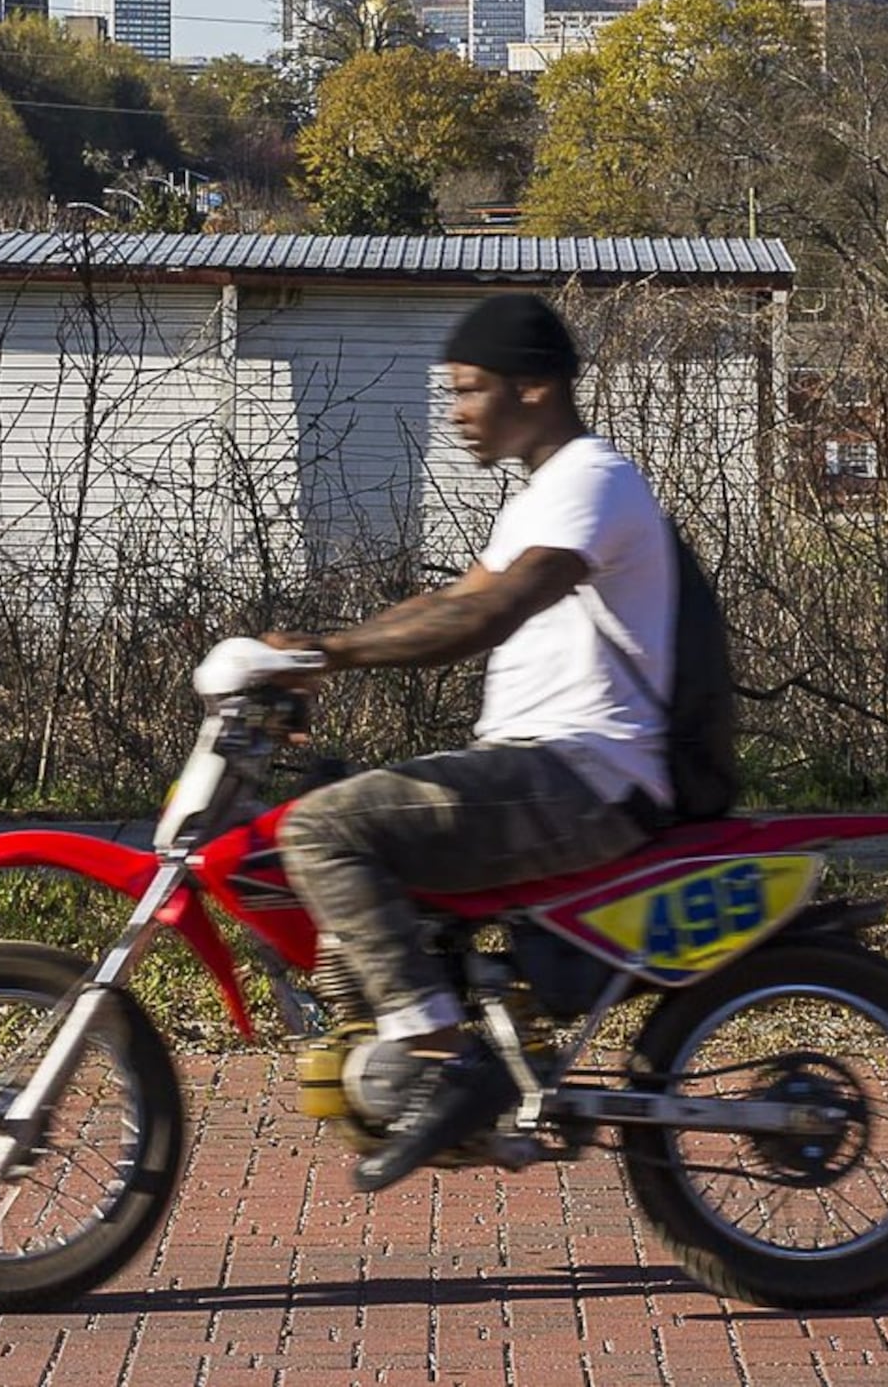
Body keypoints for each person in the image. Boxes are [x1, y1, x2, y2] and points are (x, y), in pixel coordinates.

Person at [247, 290, 678, 1190]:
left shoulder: (593, 479)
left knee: (324, 830)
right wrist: (314, 654)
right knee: (328, 812)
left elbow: (491, 610)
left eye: (470, 389)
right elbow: (450, 597)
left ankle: (442, 1060)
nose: (455, 410)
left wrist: (335, 652)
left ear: (533, 386)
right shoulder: (543, 495)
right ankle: (434, 1047)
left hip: (580, 775)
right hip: (541, 767)